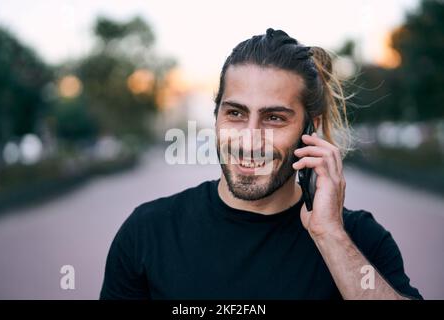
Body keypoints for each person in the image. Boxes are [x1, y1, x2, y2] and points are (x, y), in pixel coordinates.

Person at [100, 28, 422, 300]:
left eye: (274, 118)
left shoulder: (360, 240)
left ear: (310, 129)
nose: (250, 140)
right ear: (216, 118)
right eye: (235, 114)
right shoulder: (147, 232)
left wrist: (330, 236)